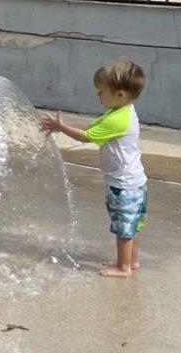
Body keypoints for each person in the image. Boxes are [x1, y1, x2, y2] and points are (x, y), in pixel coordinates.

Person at [40, 59, 148, 278]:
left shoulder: (118, 120)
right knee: (133, 225)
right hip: (134, 181)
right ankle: (130, 261)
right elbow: (91, 127)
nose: (98, 95)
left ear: (119, 94)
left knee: (123, 228)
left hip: (124, 185)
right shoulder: (120, 111)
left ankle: (123, 268)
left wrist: (61, 127)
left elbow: (86, 137)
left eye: (101, 91)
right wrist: (63, 126)